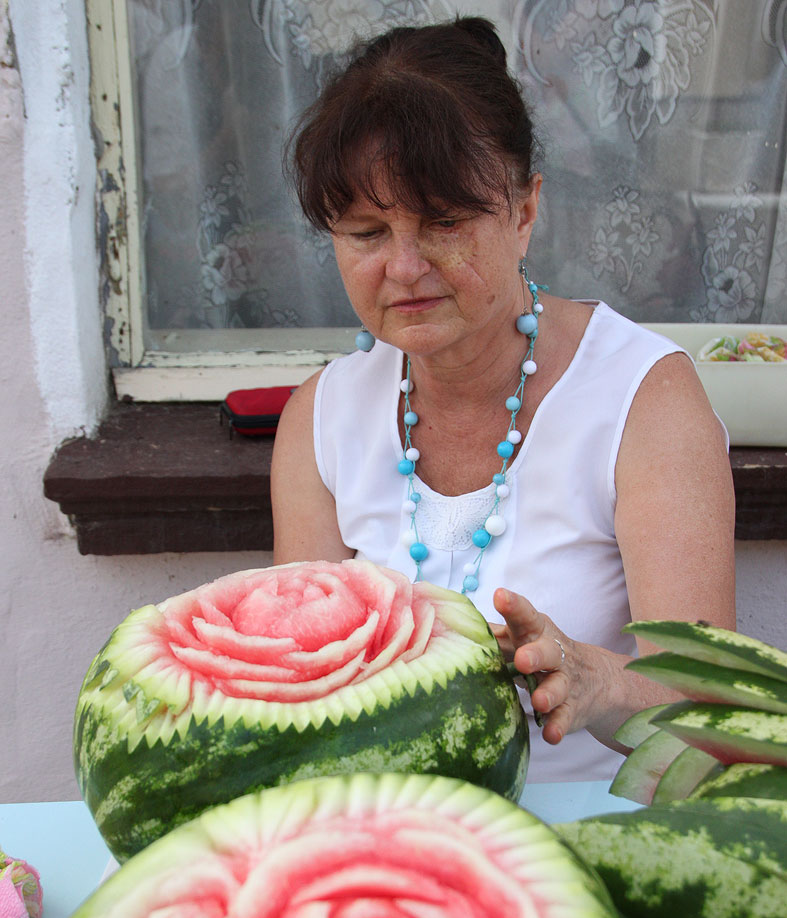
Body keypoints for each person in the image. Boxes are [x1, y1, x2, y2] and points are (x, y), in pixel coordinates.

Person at [271, 15, 736, 786]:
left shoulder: (642, 397)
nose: (404, 266)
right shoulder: (319, 418)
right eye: (366, 232)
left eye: (444, 222)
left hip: (593, 832)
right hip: (393, 834)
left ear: (523, 212)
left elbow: (708, 718)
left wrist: (594, 682)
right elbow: (300, 697)